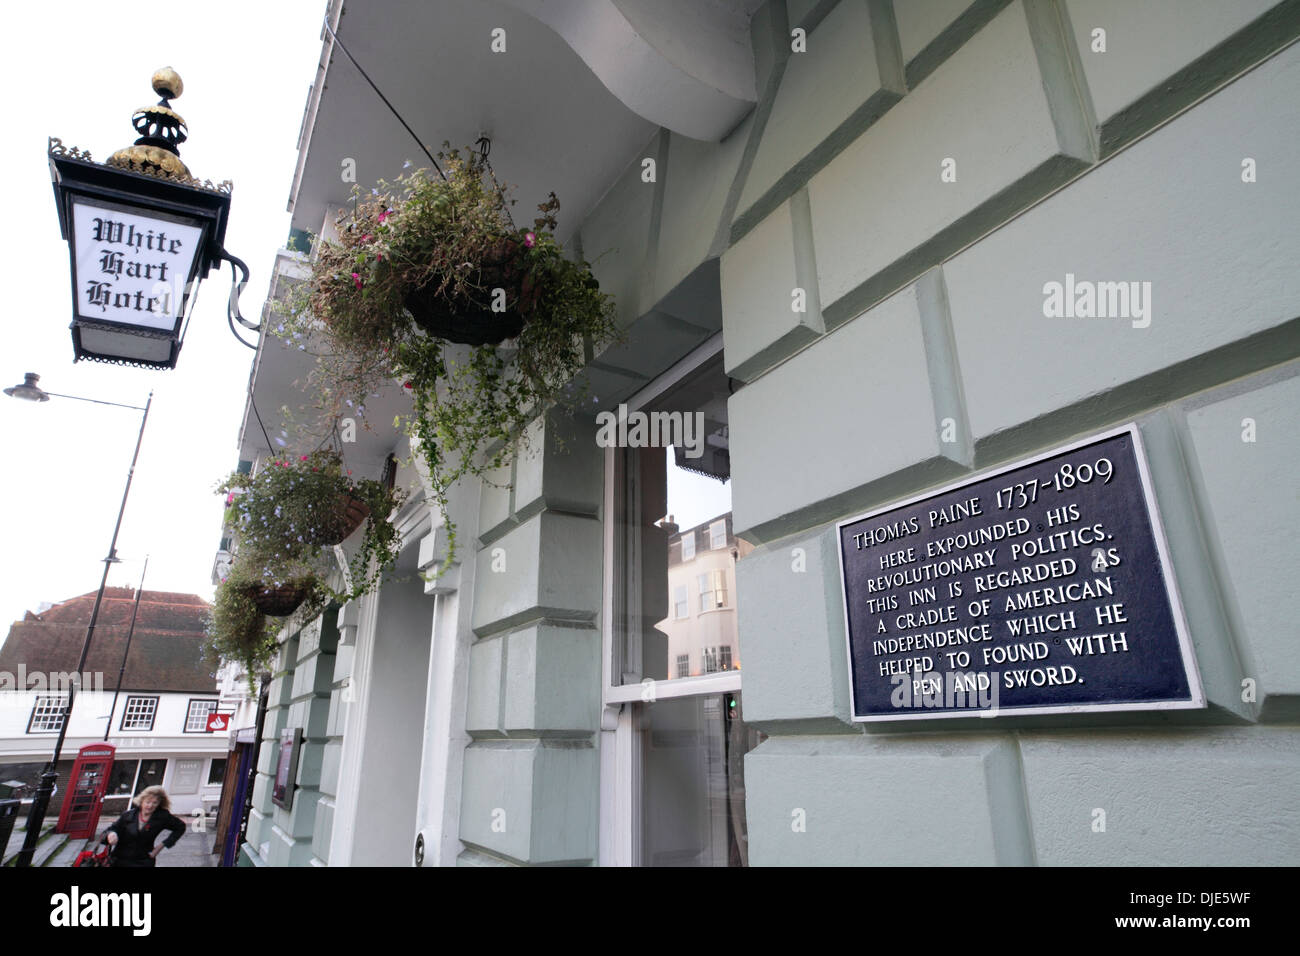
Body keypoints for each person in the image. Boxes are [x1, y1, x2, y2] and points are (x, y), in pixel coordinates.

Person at [99, 785, 186, 867]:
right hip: (120, 859)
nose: (150, 806)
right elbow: (109, 831)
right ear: (141, 801)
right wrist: (111, 834)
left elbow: (181, 827)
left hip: (143, 861)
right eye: (148, 802)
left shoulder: (162, 817)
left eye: (155, 803)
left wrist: (161, 846)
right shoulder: (128, 815)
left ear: (159, 804)